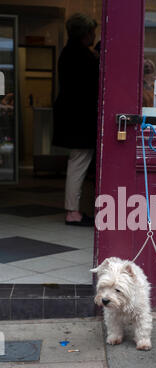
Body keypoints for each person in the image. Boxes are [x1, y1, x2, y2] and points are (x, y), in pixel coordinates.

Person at [52, 13, 99, 226]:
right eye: (92, 32)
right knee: (78, 163)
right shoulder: (81, 56)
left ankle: (73, 210)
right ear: (85, 33)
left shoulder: (68, 53)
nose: (93, 35)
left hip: (72, 119)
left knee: (77, 162)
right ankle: (72, 212)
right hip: (80, 121)